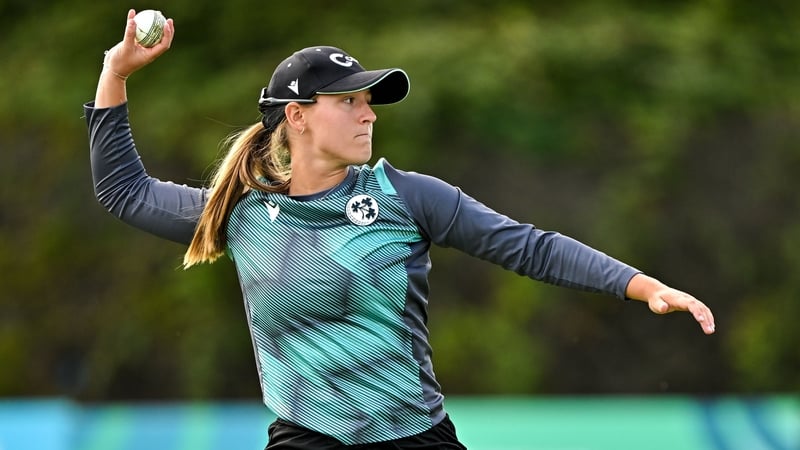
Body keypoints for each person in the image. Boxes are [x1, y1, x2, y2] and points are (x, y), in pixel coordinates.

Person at [86, 9, 716, 450]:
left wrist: (639, 284)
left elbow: (528, 247)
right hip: (304, 440)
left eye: (369, 102)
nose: (367, 114)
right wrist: (115, 75)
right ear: (298, 117)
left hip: (414, 436)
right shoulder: (243, 212)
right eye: (349, 102)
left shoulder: (406, 197)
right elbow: (124, 192)